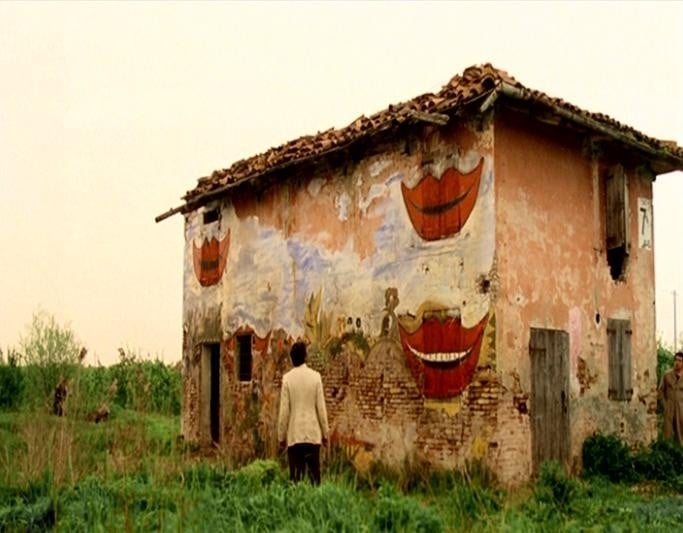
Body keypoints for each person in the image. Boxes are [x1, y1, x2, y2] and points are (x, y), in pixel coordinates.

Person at [278, 341, 329, 484]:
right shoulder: (316, 377)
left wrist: (281, 438)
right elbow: (321, 409)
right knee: (315, 480)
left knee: (296, 480)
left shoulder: (287, 379)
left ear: (292, 358)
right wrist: (325, 434)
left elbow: (284, 413)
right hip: (313, 435)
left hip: (295, 436)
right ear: (305, 357)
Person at [659, 351, 683, 445]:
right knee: (667, 433)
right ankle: (668, 454)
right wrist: (664, 405)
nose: (677, 363)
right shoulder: (667, 375)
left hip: (681, 408)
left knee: (680, 433)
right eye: (676, 360)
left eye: (680, 361)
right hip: (669, 407)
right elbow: (660, 391)